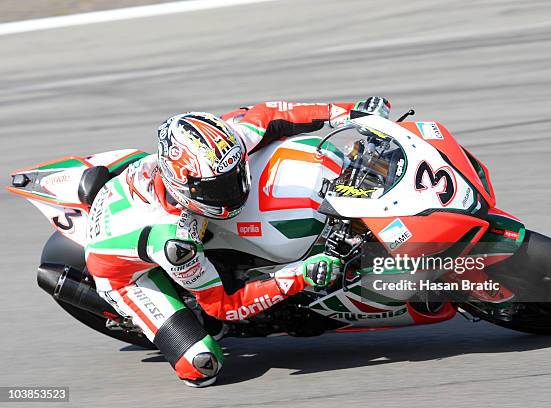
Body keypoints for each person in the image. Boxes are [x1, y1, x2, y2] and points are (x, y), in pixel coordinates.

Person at [85, 97, 391, 387]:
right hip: (125, 276)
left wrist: (352, 113)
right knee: (202, 365)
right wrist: (300, 274)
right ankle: (151, 315)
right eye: (219, 186)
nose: (233, 189)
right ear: (185, 188)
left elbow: (272, 114)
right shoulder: (175, 242)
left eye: (234, 175)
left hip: (137, 196)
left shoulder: (220, 148)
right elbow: (223, 306)